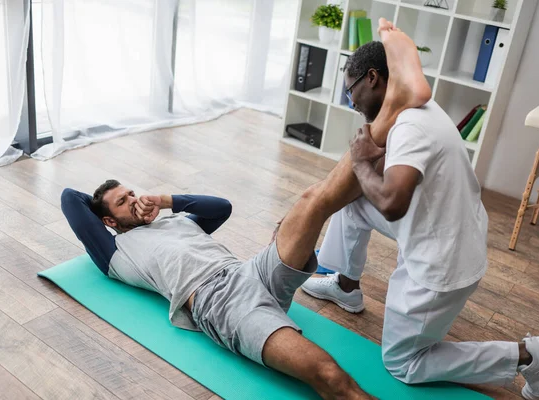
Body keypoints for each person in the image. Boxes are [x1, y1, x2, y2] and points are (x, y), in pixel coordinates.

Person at [61, 19, 432, 400]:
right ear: (107, 221)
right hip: (218, 302)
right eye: (123, 202)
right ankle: (395, 104)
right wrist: (118, 219)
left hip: (249, 270)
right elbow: (69, 199)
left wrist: (165, 200)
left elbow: (221, 208)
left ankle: (390, 109)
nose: (134, 200)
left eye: (131, 192)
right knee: (330, 376)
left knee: (311, 200)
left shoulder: (171, 223)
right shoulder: (117, 254)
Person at [300, 40, 539, 400]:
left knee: (403, 362)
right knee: (353, 202)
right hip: (444, 228)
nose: (351, 102)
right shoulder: (417, 107)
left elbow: (391, 203)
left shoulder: (410, 128)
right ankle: (345, 285)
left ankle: (528, 356)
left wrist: (359, 162)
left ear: (372, 78)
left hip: (442, 260)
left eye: (350, 91)